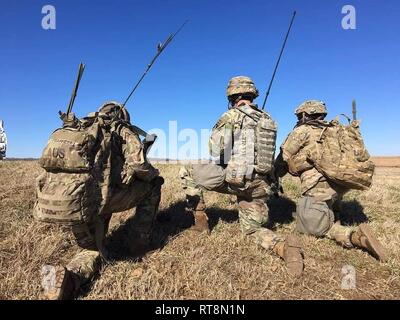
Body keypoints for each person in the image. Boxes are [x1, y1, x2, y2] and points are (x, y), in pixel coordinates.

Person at [34, 102, 163, 299]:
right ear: (123, 115)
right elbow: (139, 165)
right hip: (101, 200)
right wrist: (153, 175)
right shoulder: (120, 128)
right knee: (153, 186)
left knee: (91, 250)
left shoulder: (81, 127)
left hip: (73, 203)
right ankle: (138, 244)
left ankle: (69, 279)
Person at [180, 76, 304, 277]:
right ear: (252, 95)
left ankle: (200, 223)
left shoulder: (231, 116)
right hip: (261, 187)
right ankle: (283, 248)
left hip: (237, 182)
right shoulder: (269, 119)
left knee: (187, 169)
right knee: (253, 230)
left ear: (232, 96)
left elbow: (215, 150)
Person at [275, 100, 387, 261]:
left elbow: (283, 159)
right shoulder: (336, 129)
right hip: (341, 184)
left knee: (310, 228)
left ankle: (355, 236)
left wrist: (273, 176)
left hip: (317, 186)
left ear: (305, 114)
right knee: (330, 199)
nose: (299, 119)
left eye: (300, 115)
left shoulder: (303, 131)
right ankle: (334, 215)